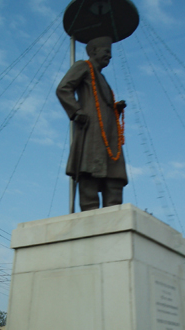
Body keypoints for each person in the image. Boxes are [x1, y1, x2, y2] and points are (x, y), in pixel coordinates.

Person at [56, 36, 127, 211]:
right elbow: (63, 88)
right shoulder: (83, 66)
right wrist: (76, 111)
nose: (109, 56)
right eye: (106, 52)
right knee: (89, 175)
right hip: (92, 132)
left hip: (110, 136)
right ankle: (90, 217)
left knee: (114, 178)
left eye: (110, 53)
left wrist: (115, 108)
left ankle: (115, 216)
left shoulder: (102, 78)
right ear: (94, 51)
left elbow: (102, 103)